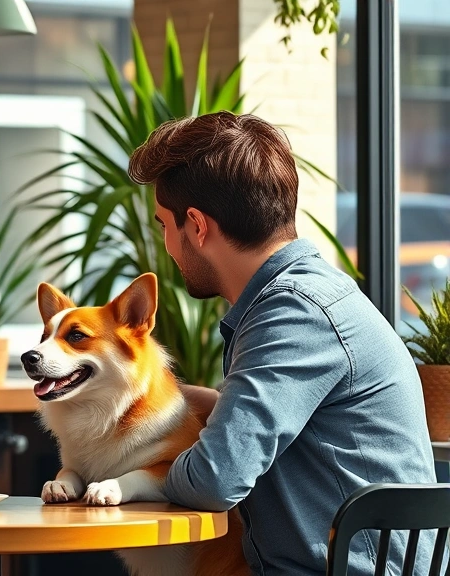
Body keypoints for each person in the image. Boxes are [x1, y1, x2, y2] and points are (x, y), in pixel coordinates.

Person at [127, 111, 439, 575]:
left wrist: (131, 476)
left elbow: (216, 479)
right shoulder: (304, 296)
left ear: (196, 225)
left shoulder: (293, 312)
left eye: (163, 226)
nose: (167, 245)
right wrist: (210, 405)